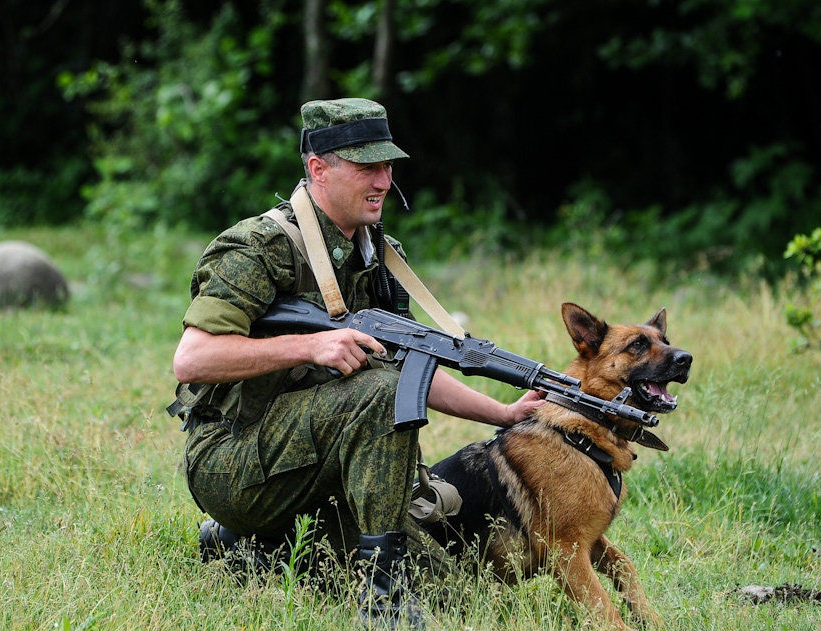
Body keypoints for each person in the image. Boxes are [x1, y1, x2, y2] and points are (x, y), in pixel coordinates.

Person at [170, 97, 542, 626]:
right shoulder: (259, 248)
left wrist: (502, 413)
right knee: (379, 395)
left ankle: (247, 549)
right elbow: (193, 358)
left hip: (327, 470)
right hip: (235, 460)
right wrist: (310, 345)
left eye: (388, 167)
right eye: (368, 167)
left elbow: (408, 371)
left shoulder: (381, 257)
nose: (384, 182)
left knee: (450, 594)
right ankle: (379, 597)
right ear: (319, 168)